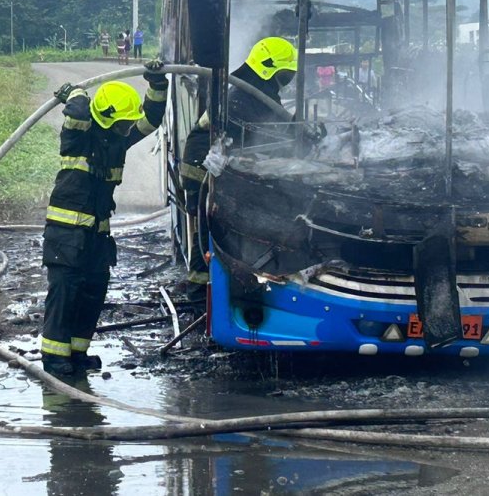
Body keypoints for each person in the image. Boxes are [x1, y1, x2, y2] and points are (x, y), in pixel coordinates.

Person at [41, 60, 169, 375]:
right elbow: (79, 112)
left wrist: (157, 85)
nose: (128, 128)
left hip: (97, 236)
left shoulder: (118, 140)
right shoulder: (78, 137)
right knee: (65, 295)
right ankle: (55, 358)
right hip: (67, 235)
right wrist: (76, 92)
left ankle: (77, 353)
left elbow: (151, 119)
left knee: (93, 292)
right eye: (123, 123)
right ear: (107, 117)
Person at [178, 37, 298, 303]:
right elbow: (260, 136)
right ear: (268, 69)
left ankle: (207, 285)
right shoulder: (239, 97)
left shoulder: (257, 92)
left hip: (216, 163)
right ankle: (199, 292)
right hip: (204, 166)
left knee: (212, 224)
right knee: (208, 225)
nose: (286, 81)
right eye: (285, 74)